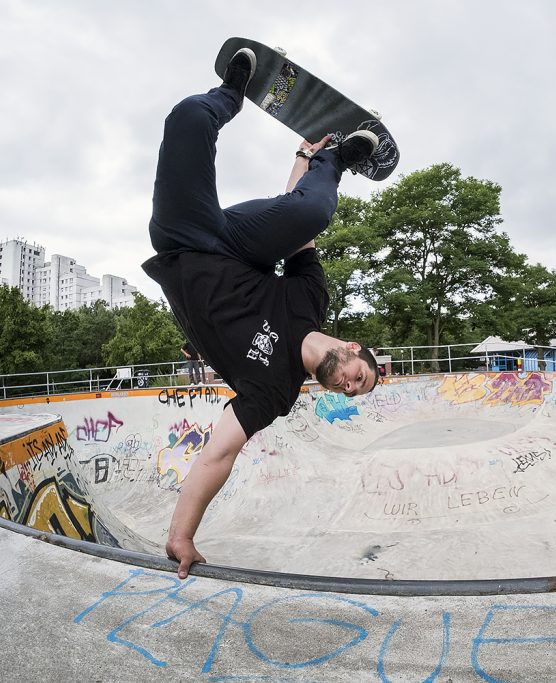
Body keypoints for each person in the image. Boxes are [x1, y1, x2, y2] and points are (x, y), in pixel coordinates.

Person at [142, 47, 382, 578]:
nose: (347, 386)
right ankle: (249, 103)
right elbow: (294, 219)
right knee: (316, 210)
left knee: (184, 120)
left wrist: (181, 535)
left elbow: (217, 455)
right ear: (351, 349)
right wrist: (305, 160)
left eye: (351, 392)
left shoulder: (274, 394)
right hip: (237, 242)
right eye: (357, 377)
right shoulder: (311, 300)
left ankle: (252, 124)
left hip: (184, 241)